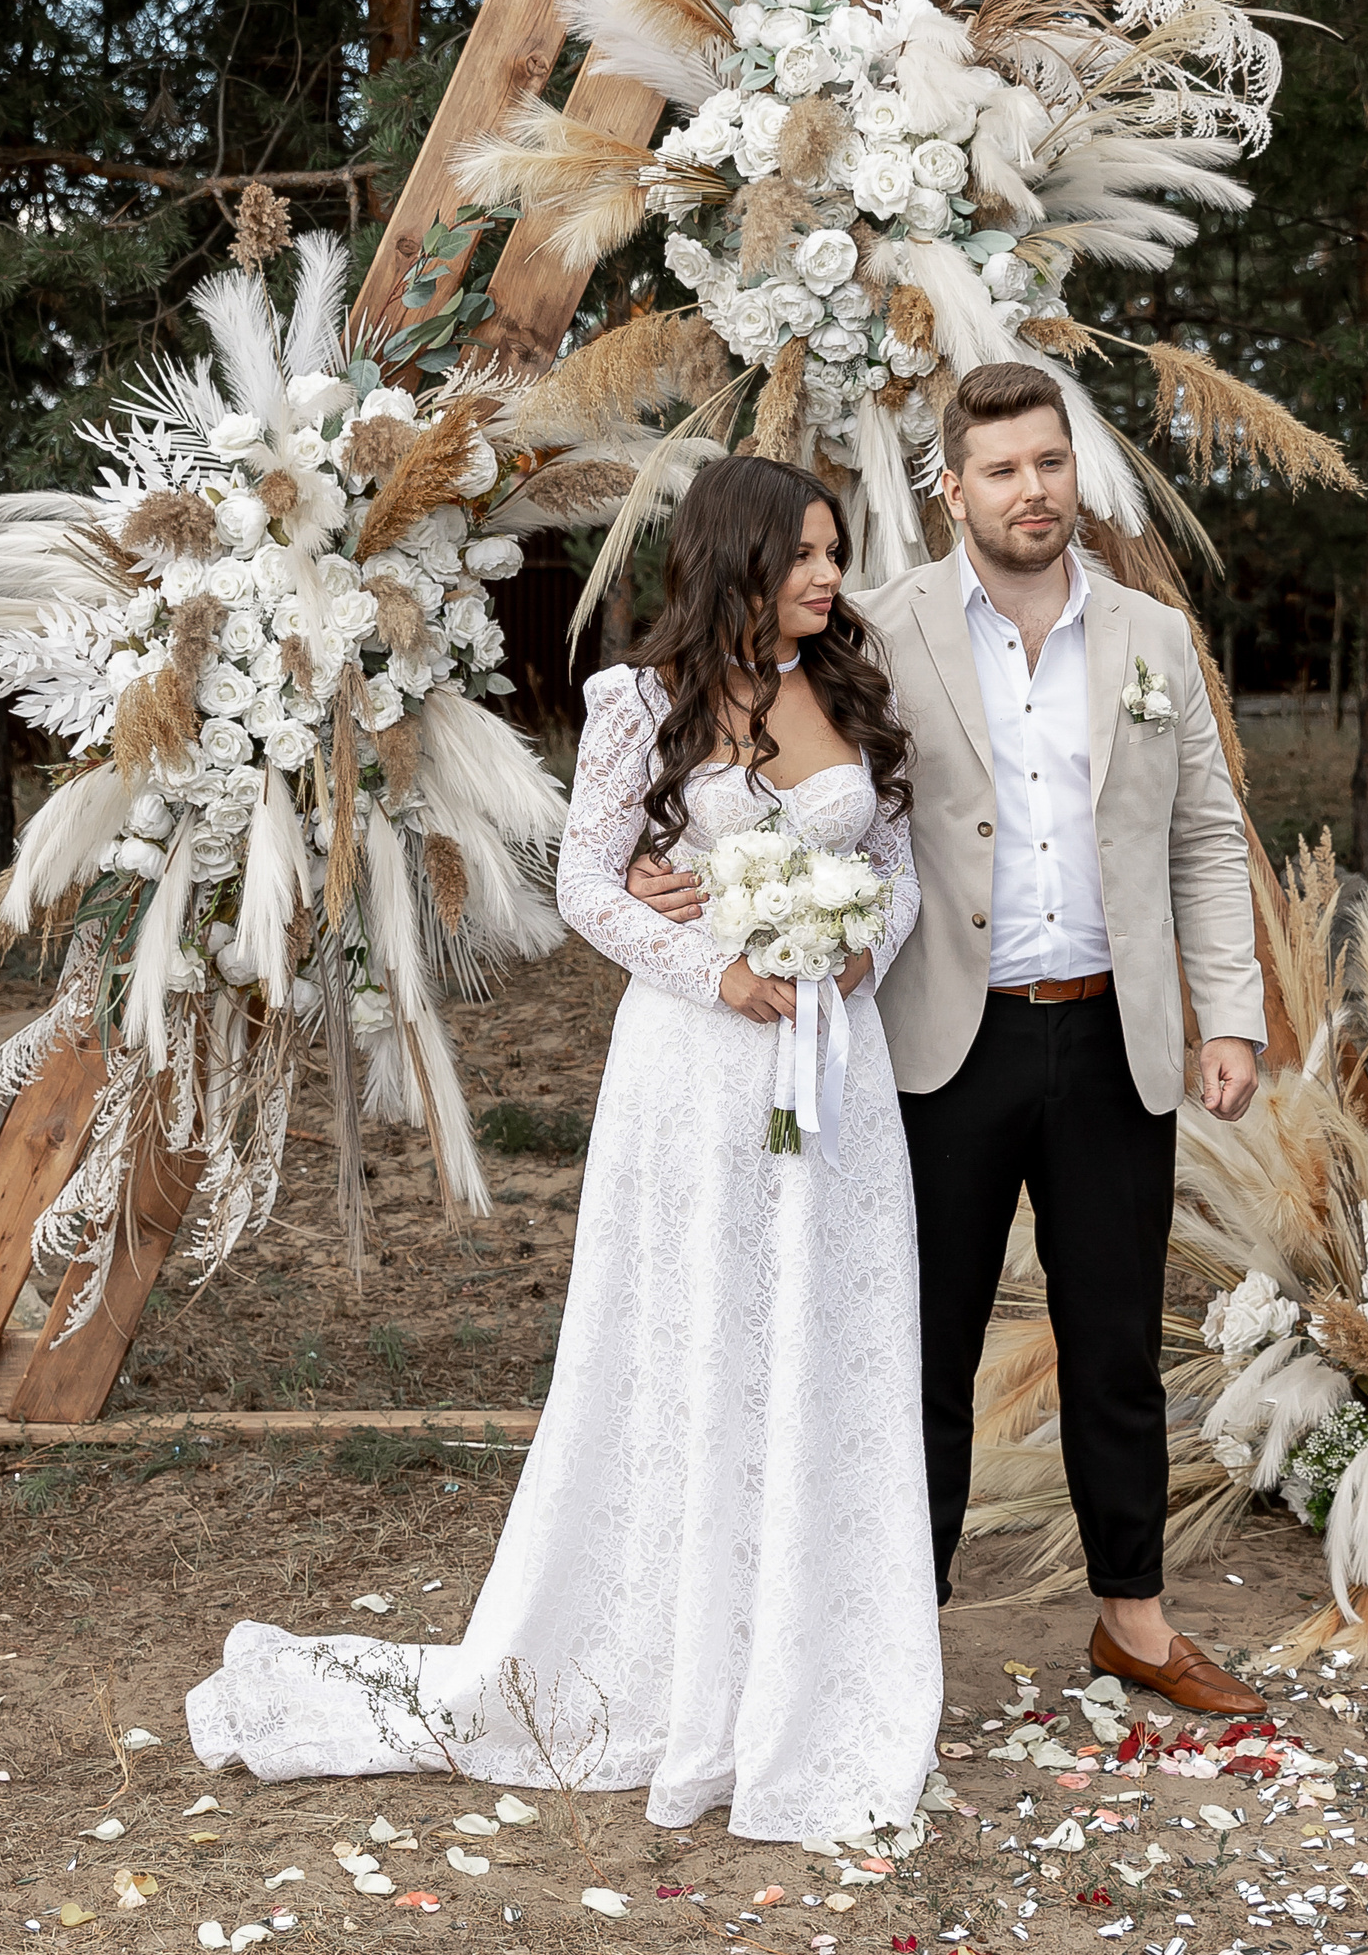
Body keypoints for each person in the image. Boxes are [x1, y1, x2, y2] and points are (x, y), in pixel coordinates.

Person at [187, 453, 941, 1841]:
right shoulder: (638, 705)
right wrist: (722, 969)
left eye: (836, 553)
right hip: (698, 1069)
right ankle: (675, 1658)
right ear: (736, 557)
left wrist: (849, 955)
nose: (831, 578)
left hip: (835, 1072)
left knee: (823, 1337)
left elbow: (893, 873)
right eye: (806, 555)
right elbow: (590, 887)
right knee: (697, 1335)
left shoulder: (846, 691)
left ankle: (809, 1656)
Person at [629, 364, 1271, 1716]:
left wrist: (1230, 1016)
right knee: (919, 1351)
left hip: (1115, 1044)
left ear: (1075, 472)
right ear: (953, 490)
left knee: (1116, 1350)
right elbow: (738, 748)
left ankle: (1135, 1621)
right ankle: (896, 1642)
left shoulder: (1153, 638)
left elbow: (1207, 836)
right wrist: (658, 860)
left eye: (1050, 462)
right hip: (936, 1047)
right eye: (1002, 469)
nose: (1033, 489)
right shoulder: (872, 629)